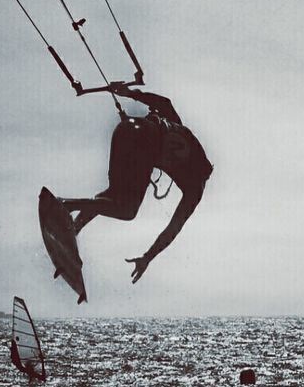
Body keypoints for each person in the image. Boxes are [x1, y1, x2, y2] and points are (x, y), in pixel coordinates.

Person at [57, 82, 213, 283]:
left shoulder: (179, 128)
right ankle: (66, 205)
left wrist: (131, 93)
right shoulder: (195, 188)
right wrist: (148, 257)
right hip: (144, 140)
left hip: (125, 128)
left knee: (113, 196)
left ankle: (73, 228)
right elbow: (173, 229)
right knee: (127, 211)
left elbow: (165, 102)